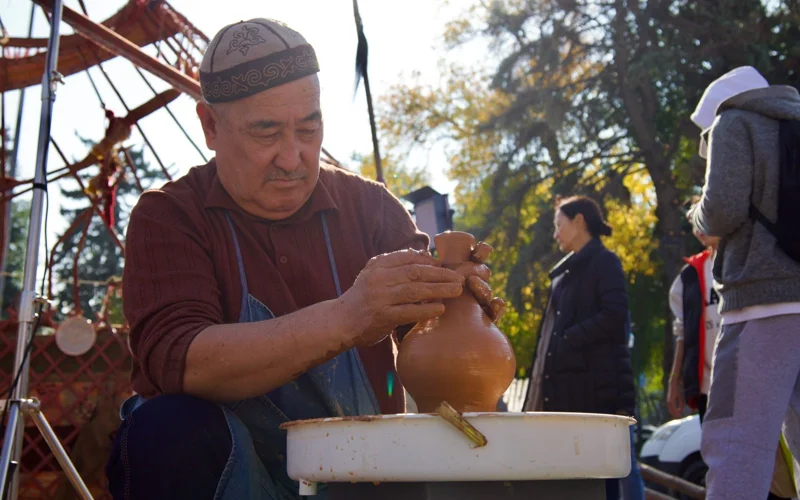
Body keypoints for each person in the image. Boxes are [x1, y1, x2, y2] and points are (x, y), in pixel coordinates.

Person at [105, 19, 505, 500]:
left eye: (309, 127)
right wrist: (351, 315)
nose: (293, 157)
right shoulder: (170, 216)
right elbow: (184, 363)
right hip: (235, 480)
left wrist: (457, 298)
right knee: (164, 429)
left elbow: (441, 351)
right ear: (210, 126)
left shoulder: (371, 208)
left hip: (364, 478)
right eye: (266, 132)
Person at [689, 65, 800, 500]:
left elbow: (723, 210)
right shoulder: (793, 123)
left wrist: (698, 216)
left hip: (759, 304)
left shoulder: (733, 119)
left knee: (736, 444)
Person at [522, 196, 636, 500]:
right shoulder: (563, 274)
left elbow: (615, 316)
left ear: (579, 221)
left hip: (597, 396)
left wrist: (569, 339)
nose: (556, 233)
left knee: (602, 480)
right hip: (567, 396)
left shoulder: (605, 262)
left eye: (559, 225)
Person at [667, 207, 721, 422]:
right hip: (708, 386)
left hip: (748, 380)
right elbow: (682, 333)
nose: (698, 227)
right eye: (693, 222)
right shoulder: (689, 275)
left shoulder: (747, 263)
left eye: (703, 216)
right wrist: (675, 381)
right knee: (715, 451)